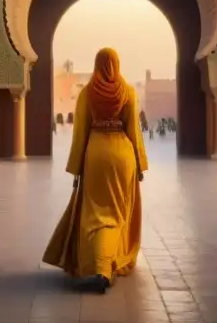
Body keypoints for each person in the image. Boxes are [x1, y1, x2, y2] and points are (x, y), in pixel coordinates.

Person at [42, 47, 148, 294]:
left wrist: (76, 169)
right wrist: (140, 164)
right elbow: (134, 131)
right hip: (123, 156)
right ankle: (107, 265)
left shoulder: (87, 94)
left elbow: (80, 134)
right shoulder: (128, 93)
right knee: (116, 215)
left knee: (97, 217)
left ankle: (100, 268)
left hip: (96, 155)